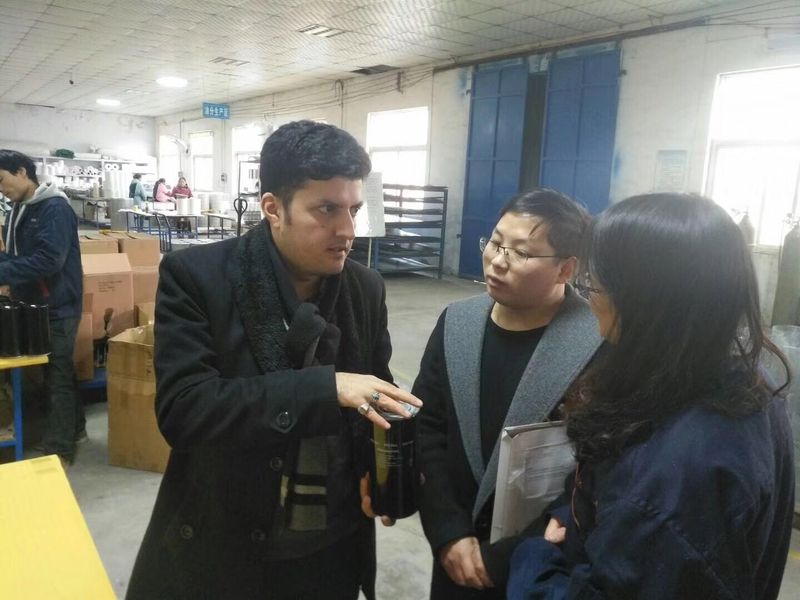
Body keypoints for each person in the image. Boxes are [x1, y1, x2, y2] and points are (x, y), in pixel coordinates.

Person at [126, 120, 422, 600]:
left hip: (332, 547)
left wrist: (380, 470)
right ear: (272, 208)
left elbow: (374, 400)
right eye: (326, 209)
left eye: (354, 209)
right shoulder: (199, 277)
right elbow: (185, 410)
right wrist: (326, 388)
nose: (347, 231)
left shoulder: (364, 289)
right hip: (229, 547)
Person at [507, 194, 795, 600]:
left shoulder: (672, 482)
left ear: (645, 304)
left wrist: (532, 558)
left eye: (594, 286)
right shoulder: (746, 386)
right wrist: (573, 513)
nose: (589, 301)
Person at [414, 188, 602, 599]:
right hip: (455, 555)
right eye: (496, 243)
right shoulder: (457, 323)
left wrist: (510, 554)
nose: (498, 261)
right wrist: (448, 532)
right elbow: (426, 430)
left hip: (540, 565)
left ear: (565, 269)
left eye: (520, 252)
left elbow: (597, 466)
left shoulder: (596, 343)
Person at [0, 149, 84, 465]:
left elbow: (50, 260)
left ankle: (60, 450)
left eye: (2, 180)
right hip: (34, 302)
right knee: (58, 371)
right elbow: (17, 256)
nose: (1, 189)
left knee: (57, 375)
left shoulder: (54, 208)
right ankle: (76, 429)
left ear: (22, 172)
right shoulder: (20, 209)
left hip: (58, 304)